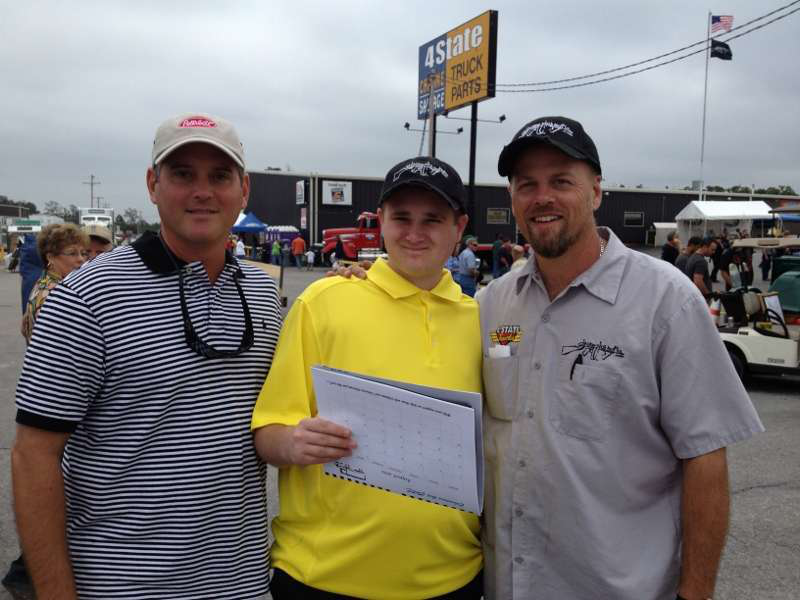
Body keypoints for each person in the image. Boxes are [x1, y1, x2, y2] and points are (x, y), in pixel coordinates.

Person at [480, 116, 763, 599]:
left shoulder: (664, 302)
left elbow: (706, 458)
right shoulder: (493, 305)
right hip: (508, 585)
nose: (542, 197)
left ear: (596, 192)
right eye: (527, 184)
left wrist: (695, 594)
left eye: (561, 181)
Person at [11, 112, 282, 599]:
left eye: (219, 176)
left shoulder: (262, 293)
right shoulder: (85, 298)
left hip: (241, 585)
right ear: (153, 184)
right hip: (120, 585)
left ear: (244, 190)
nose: (202, 191)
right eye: (182, 174)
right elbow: (34, 456)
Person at [251, 156, 483, 599]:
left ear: (459, 227)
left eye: (432, 219)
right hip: (325, 577)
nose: (415, 233)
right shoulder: (324, 302)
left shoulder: (483, 318)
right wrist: (294, 443)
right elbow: (268, 432)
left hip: (453, 578)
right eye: (402, 218)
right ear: (381, 222)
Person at [21, 224, 89, 342]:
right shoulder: (56, 293)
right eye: (72, 253)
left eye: (83, 253)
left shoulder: (44, 280)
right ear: (51, 257)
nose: (81, 259)